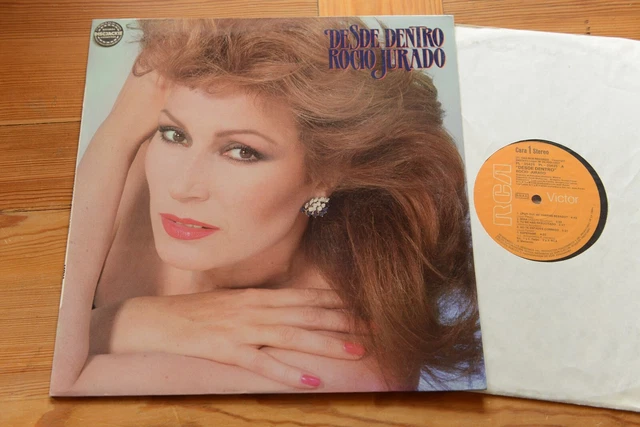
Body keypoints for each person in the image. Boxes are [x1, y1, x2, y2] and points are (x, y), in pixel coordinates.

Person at [50, 17, 483, 396]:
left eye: (242, 152)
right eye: (175, 134)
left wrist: (114, 325)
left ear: (326, 173)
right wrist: (119, 131)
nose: (181, 187)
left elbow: (56, 376)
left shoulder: (337, 356)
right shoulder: (141, 172)